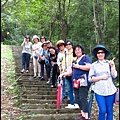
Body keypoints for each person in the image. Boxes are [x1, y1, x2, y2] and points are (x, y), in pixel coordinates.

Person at [58, 44, 92, 120]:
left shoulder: (86, 58)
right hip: (75, 82)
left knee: (83, 98)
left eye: (79, 49)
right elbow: (71, 71)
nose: (77, 51)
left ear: (82, 50)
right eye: (76, 50)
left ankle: (86, 117)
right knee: (77, 98)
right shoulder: (75, 60)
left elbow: (90, 67)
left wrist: (79, 66)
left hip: (84, 82)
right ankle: (82, 114)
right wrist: (62, 74)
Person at [88, 44, 117, 120]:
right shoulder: (94, 65)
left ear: (104, 54)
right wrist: (101, 77)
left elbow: (114, 75)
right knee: (103, 111)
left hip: (110, 90)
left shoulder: (109, 63)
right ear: (96, 54)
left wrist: (112, 66)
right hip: (99, 91)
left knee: (109, 111)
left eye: (102, 52)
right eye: (98, 53)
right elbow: (90, 79)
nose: (100, 54)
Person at [63, 40, 79, 109]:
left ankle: (76, 103)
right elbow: (63, 62)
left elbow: (76, 61)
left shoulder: (74, 52)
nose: (68, 45)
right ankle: (71, 103)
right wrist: (63, 70)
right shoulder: (65, 53)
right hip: (67, 73)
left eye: (69, 44)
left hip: (73, 72)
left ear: (71, 45)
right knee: (69, 89)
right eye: (67, 44)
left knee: (75, 88)